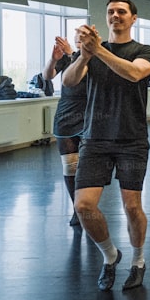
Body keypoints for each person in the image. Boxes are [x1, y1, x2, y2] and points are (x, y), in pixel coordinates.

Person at [63, 0, 150, 291]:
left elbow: (133, 73)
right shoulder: (90, 54)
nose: (115, 15)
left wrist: (98, 50)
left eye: (121, 12)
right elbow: (69, 81)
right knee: (83, 206)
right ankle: (110, 255)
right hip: (94, 138)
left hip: (131, 139)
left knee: (131, 206)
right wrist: (83, 55)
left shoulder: (145, 51)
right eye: (110, 12)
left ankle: (139, 260)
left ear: (133, 19)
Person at [43, 33, 88, 226]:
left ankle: (88, 204)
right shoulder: (68, 58)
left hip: (90, 114)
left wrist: (72, 53)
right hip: (66, 115)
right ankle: (77, 208)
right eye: (77, 37)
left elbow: (82, 72)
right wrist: (53, 60)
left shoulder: (93, 59)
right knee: (70, 166)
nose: (79, 40)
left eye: (83, 38)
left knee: (88, 165)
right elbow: (47, 76)